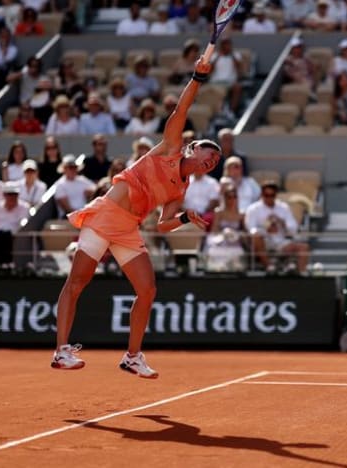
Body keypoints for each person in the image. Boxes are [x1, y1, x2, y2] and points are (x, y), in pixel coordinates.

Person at [52, 58, 221, 377]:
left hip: (128, 229)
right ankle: (61, 351)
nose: (212, 161)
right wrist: (198, 77)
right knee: (77, 282)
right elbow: (180, 110)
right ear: (194, 148)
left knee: (147, 289)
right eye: (209, 155)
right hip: (104, 217)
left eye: (215, 161)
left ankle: (132, 356)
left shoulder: (181, 189)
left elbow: (162, 224)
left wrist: (184, 217)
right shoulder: (171, 146)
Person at [245, 181, 310, 273]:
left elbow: (293, 229)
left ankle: (301, 275)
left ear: (276, 195)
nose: (269, 198)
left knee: (304, 248)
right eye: (266, 195)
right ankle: (269, 267)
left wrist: (282, 223)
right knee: (256, 237)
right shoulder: (253, 209)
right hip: (263, 242)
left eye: (272, 195)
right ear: (261, 194)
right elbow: (251, 228)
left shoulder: (283, 207)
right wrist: (266, 230)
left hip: (280, 242)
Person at [0, 182, 30, 266]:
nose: (12, 197)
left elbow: (23, 223)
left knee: (5, 236)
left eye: (14, 194)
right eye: (9, 194)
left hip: (13, 237)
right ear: (4, 195)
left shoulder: (24, 206)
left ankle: (7, 263)